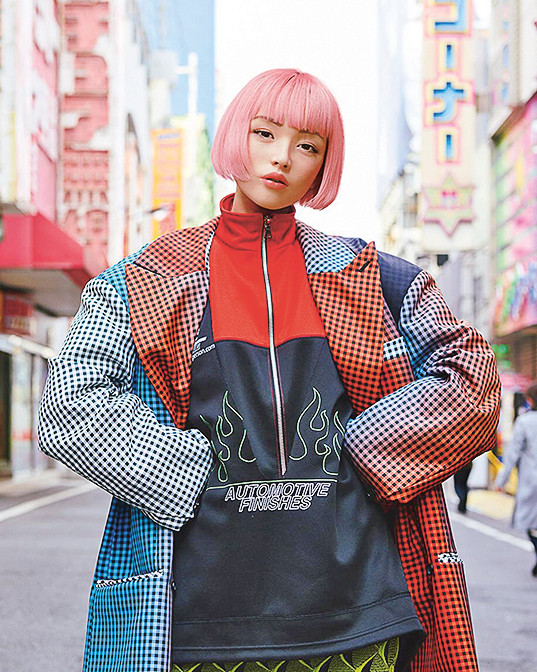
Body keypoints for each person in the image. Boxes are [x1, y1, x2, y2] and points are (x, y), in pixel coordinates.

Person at [38, 69, 501, 672]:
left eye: (308, 145)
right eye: (265, 134)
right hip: (199, 615)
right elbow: (69, 404)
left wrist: (365, 448)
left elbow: (472, 378)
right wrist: (187, 468)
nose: (282, 158)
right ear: (237, 135)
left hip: (359, 612)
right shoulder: (146, 278)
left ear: (324, 164)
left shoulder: (375, 277)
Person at [495, 382, 537, 577]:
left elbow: (512, 454)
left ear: (530, 400)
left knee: (529, 521)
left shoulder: (524, 421)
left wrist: (501, 481)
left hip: (531, 479)